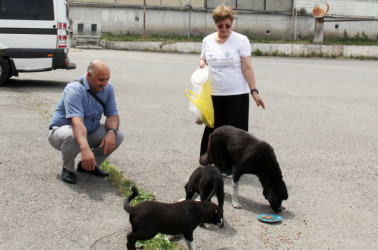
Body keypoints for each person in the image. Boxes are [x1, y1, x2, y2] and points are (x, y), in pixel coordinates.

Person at [199, 5, 265, 176]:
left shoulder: (241, 40)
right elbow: (203, 60)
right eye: (221, 26)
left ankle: (233, 166)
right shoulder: (207, 41)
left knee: (236, 133)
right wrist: (202, 64)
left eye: (228, 25)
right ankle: (210, 160)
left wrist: (254, 92)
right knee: (214, 130)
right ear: (215, 24)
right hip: (214, 94)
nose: (224, 29)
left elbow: (247, 67)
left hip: (237, 94)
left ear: (232, 23)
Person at [48, 60, 124, 184]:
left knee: (118, 134)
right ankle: (68, 168)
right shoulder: (75, 89)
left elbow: (113, 116)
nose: (105, 83)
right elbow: (77, 122)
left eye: (107, 79)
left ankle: (89, 166)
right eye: (101, 80)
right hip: (62, 133)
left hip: (87, 131)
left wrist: (112, 132)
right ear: (89, 75)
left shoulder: (108, 88)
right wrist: (85, 149)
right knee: (72, 135)